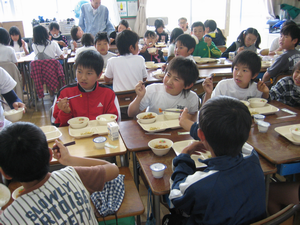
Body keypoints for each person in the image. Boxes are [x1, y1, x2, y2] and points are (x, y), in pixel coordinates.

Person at [168, 96, 266, 225]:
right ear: (248, 133)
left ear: (201, 135)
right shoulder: (252, 156)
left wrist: (184, 157)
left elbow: (176, 195)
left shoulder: (201, 184)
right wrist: (201, 133)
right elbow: (232, 134)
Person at [0, 122, 119, 224]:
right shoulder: (72, 175)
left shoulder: (8, 218)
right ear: (50, 155)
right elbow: (113, 169)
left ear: (5, 173)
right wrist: (69, 160)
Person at [180, 51, 268, 138]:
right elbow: (206, 111)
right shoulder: (223, 86)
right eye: (236, 69)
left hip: (246, 128)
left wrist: (266, 92)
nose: (238, 74)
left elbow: (263, 107)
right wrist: (208, 93)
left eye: (244, 70)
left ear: (254, 75)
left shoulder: (256, 88)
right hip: (224, 127)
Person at [53, 50, 120, 127]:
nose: (83, 78)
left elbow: (114, 120)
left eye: (89, 73)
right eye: (79, 71)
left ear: (99, 75)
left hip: (101, 136)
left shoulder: (108, 94)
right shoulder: (65, 93)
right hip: (74, 136)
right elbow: (57, 124)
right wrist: (65, 112)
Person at [127, 56, 200, 119]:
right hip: (153, 131)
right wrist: (139, 97)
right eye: (168, 75)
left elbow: (193, 118)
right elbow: (131, 114)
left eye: (176, 79)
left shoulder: (192, 98)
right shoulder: (152, 90)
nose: (169, 82)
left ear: (188, 85)